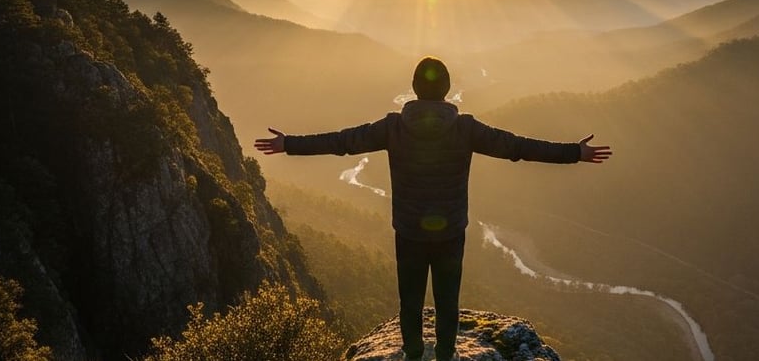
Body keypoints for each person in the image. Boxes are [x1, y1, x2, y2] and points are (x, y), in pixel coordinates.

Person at [254, 56, 611, 361]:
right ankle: (445, 355)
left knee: (410, 300)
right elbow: (518, 147)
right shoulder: (465, 128)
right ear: (447, 90)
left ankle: (412, 354)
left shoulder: (393, 127)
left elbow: (343, 142)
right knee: (447, 300)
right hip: (451, 231)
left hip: (409, 231)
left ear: (413, 89)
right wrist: (573, 153)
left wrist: (290, 144)